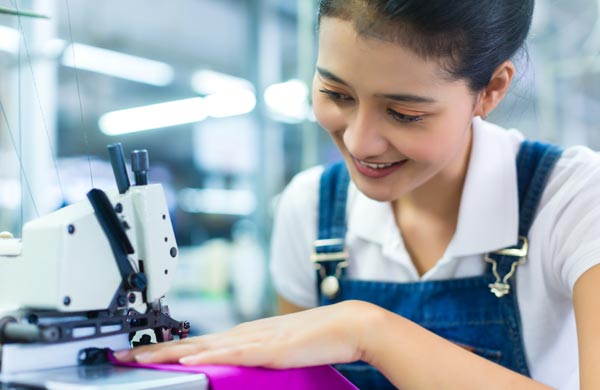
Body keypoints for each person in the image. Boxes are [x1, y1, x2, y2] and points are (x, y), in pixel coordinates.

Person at [115, 0, 600, 388]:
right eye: (337, 94)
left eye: (405, 114)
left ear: (491, 90)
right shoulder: (309, 207)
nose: (358, 143)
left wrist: (370, 333)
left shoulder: (573, 199)